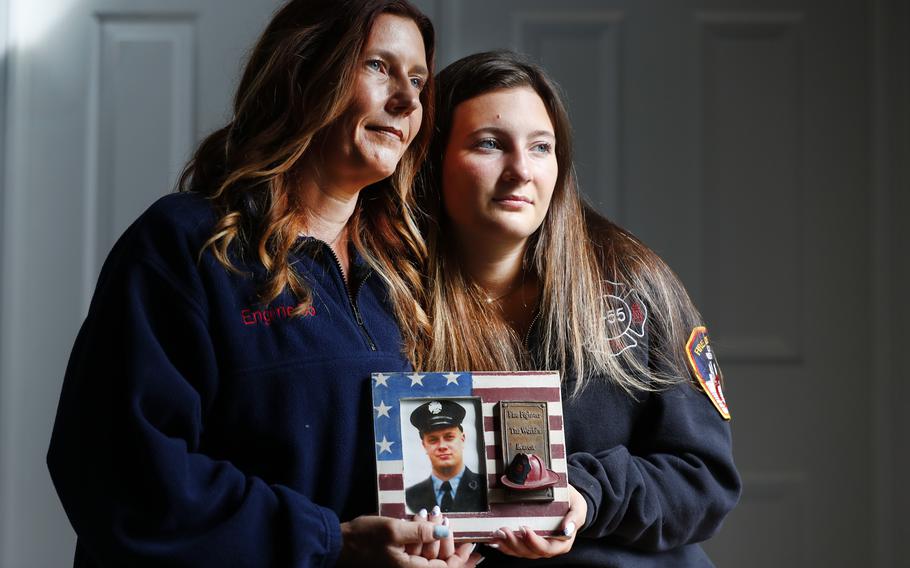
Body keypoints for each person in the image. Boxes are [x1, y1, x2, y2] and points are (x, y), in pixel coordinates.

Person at [46, 1, 480, 566]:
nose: (408, 100)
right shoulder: (186, 244)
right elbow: (120, 473)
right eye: (379, 66)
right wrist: (331, 543)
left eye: (418, 80)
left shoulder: (404, 274)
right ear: (303, 71)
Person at [414, 50, 742, 566]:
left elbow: (706, 480)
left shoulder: (633, 287)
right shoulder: (390, 299)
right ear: (431, 161)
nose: (520, 170)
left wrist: (586, 496)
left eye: (541, 147)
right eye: (490, 144)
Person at [405, 400, 486, 513]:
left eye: (449, 437)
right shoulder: (410, 496)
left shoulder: (485, 486)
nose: (442, 446)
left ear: (462, 439)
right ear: (424, 445)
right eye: (433, 440)